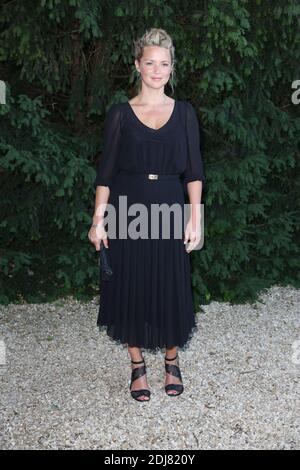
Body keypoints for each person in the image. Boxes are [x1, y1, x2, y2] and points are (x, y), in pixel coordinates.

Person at [88, 28, 205, 402]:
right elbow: (105, 172)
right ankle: (137, 365)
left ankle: (172, 360)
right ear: (138, 65)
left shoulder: (185, 113)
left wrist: (195, 219)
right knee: (130, 284)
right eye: (150, 62)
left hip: (170, 206)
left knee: (170, 283)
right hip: (127, 208)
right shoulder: (121, 114)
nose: (158, 70)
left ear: (172, 68)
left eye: (165, 64)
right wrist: (97, 219)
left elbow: (195, 172)